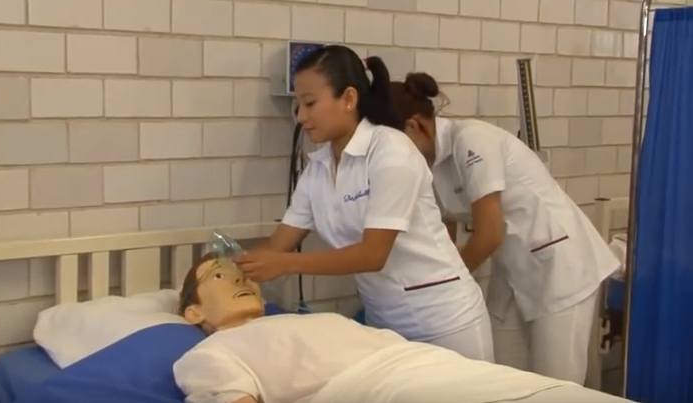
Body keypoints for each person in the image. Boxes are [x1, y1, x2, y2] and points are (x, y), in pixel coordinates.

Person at [232, 45, 494, 362]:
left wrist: (286, 264)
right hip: (385, 324)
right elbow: (278, 245)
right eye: (299, 105)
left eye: (310, 103)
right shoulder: (317, 169)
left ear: (349, 98)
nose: (301, 117)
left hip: (445, 321)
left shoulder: (391, 151)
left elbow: (373, 254)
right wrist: (229, 265)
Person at [387, 72, 620, 384]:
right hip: (511, 267)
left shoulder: (471, 140)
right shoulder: (428, 164)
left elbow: (489, 234)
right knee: (502, 376)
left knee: (555, 382)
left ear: (413, 125)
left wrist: (446, 286)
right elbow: (444, 234)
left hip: (560, 266)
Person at [173, 256, 576, 403]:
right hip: (373, 388)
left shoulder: (299, 320)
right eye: (219, 275)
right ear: (193, 312)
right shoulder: (209, 353)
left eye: (242, 273)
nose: (239, 278)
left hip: (424, 363)